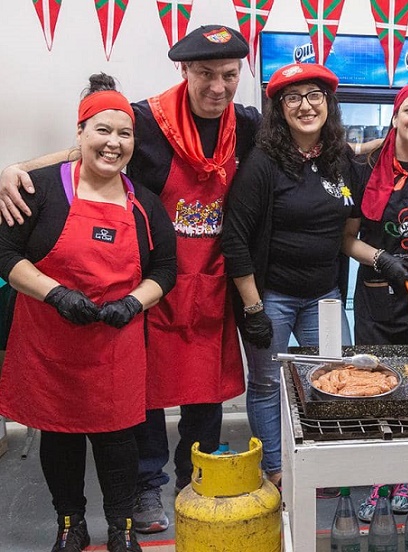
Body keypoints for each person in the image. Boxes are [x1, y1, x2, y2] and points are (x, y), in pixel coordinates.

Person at [0, 25, 260, 533]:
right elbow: (92, 146)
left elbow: (304, 142)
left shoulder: (245, 125)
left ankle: (197, 478)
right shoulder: (145, 119)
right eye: (205, 74)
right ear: (183, 71)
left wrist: (390, 146)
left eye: (229, 76)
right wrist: (16, 168)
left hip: (209, 282)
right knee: (146, 395)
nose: (218, 87)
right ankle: (146, 488)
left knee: (206, 398)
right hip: (152, 288)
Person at [0, 74, 176, 552]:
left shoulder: (146, 204)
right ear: (80, 133)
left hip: (115, 344)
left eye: (124, 134)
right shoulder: (37, 191)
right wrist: (56, 294)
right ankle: (69, 524)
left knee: (119, 439)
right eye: (102, 130)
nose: (113, 143)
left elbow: (165, 268)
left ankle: (120, 528)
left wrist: (132, 302)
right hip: (49, 342)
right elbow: (6, 253)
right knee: (60, 436)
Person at [220, 62, 357, 491]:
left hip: (325, 296)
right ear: (279, 109)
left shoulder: (340, 160)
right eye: (292, 98)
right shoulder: (264, 163)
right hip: (272, 298)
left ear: (328, 103)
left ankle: (328, 458)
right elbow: (235, 237)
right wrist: (253, 306)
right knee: (264, 383)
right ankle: (277, 469)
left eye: (314, 95)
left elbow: (349, 228)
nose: (305, 105)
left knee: (337, 376)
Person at [341, 83, 408, 521]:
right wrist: (382, 258)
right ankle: (376, 477)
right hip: (377, 293)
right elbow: (346, 239)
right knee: (379, 385)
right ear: (395, 115)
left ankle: (407, 475)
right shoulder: (364, 167)